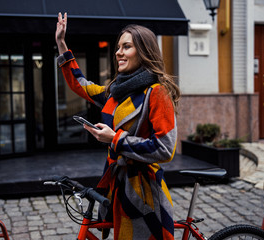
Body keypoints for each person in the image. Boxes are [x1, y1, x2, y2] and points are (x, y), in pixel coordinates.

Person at [55, 12, 180, 240]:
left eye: (127, 47)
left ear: (143, 52)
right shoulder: (115, 92)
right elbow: (82, 85)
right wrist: (62, 44)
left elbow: (165, 148)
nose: (118, 52)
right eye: (118, 47)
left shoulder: (156, 92)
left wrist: (115, 139)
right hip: (117, 184)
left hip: (144, 191)